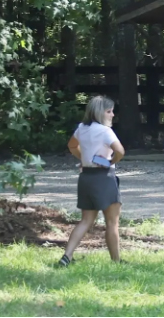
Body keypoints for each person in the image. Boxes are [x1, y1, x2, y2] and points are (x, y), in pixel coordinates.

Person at [58, 95, 125, 267]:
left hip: (86, 177)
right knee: (112, 222)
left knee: (86, 220)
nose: (112, 115)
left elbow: (72, 146)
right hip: (104, 178)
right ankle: (116, 261)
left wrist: (84, 158)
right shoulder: (105, 131)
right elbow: (120, 151)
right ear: (99, 113)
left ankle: (67, 256)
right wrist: (110, 162)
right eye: (109, 112)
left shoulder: (82, 128)